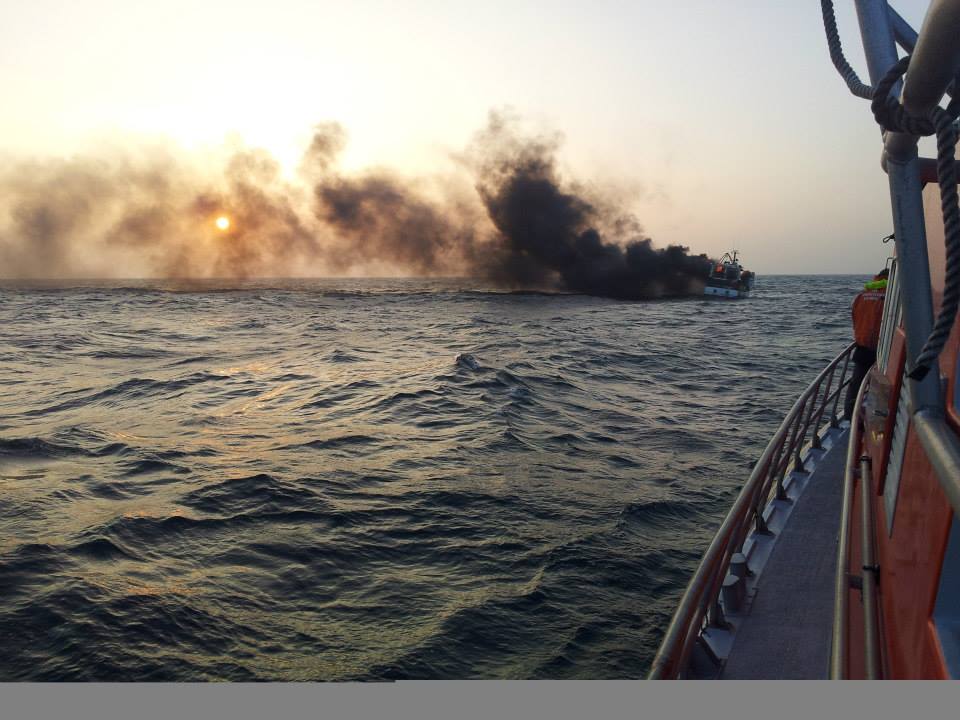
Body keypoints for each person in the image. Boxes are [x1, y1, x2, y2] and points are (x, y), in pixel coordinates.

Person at [844, 268, 888, 419]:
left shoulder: (861, 296)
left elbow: (855, 318)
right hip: (884, 351)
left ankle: (850, 417)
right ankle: (877, 419)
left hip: (862, 347)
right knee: (883, 387)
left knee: (856, 385)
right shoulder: (891, 296)